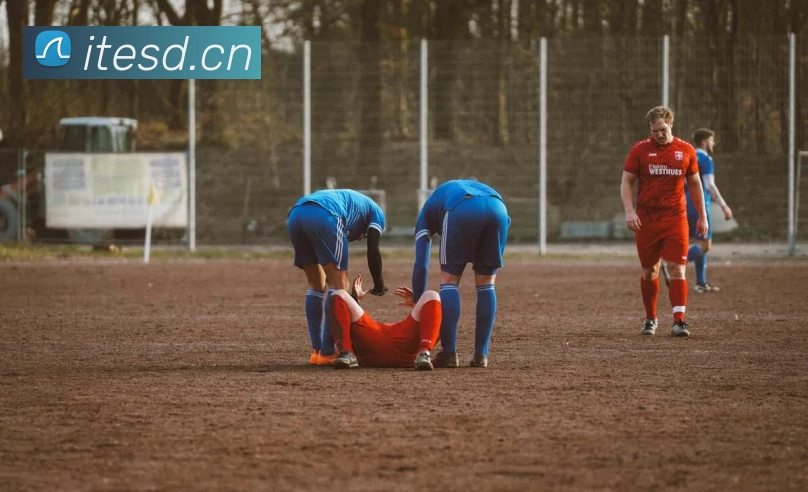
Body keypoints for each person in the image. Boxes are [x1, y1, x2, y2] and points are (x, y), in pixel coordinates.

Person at [620, 106, 708, 337]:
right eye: (654, 130)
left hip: (675, 218)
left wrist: (702, 216)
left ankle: (679, 321)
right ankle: (650, 318)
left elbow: (696, 184)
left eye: (663, 129)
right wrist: (630, 211)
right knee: (650, 272)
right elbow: (626, 182)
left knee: (677, 268)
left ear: (671, 124)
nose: (659, 134)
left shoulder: (686, 150)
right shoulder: (640, 150)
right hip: (646, 220)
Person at [411, 179, 510, 368]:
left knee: (449, 281)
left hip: (461, 208)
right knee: (486, 283)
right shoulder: (454, 190)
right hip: (499, 208)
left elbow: (421, 264)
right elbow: (507, 221)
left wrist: (417, 299)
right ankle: (481, 355)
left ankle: (449, 354)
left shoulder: (425, 214)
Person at [287, 189, 388, 366]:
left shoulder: (354, 204)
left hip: (296, 214)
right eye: (362, 236)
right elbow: (373, 251)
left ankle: (316, 352)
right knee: (340, 286)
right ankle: (327, 351)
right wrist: (379, 283)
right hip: (327, 214)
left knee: (315, 283)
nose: (360, 239)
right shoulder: (377, 214)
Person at [328, 274, 442, 371]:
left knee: (338, 294)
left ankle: (346, 353)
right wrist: (417, 305)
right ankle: (424, 353)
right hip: (403, 345)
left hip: (372, 343)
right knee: (432, 295)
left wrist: (355, 300)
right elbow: (430, 324)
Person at [683, 128, 733, 293]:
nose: (713, 143)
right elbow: (710, 185)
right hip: (700, 205)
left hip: (684, 204)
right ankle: (675, 264)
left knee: (699, 242)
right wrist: (724, 206)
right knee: (705, 245)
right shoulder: (706, 159)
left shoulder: (686, 157)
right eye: (711, 140)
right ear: (704, 142)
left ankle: (701, 282)